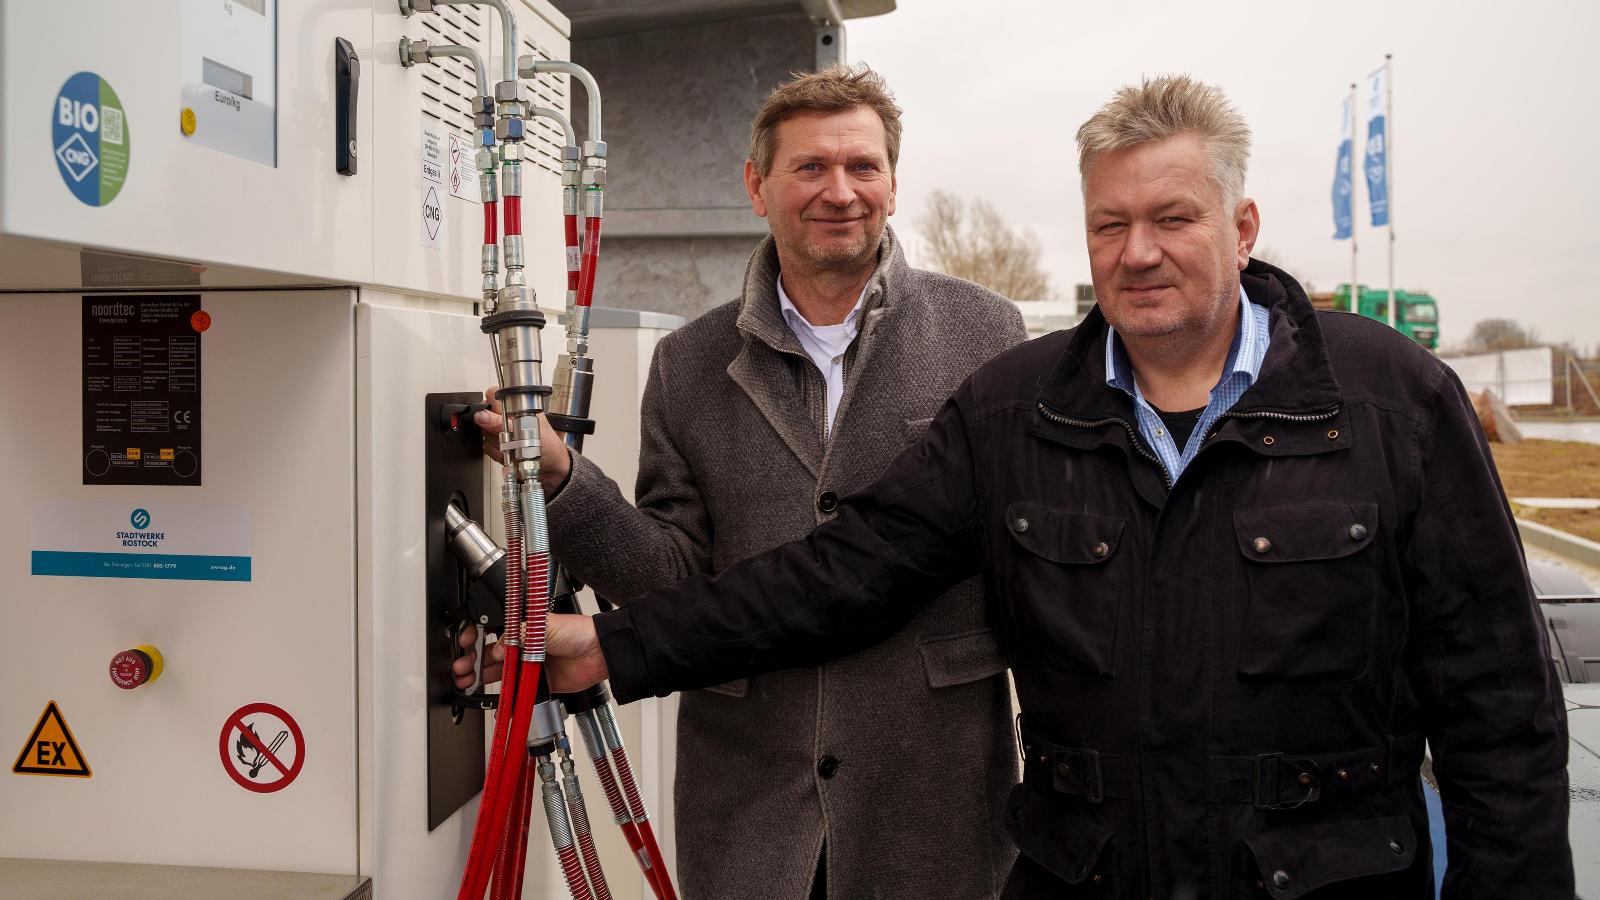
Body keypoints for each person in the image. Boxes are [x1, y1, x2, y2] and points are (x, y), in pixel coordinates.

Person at [537, 75, 1574, 899]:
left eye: (1172, 217)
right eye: (1108, 224)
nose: (1139, 253)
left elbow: (1497, 701)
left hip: (1325, 879)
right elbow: (841, 571)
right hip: (1090, 874)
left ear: (1242, 223)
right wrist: (616, 647)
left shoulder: (1390, 399)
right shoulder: (1016, 408)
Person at [464, 65, 1026, 900]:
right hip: (754, 801)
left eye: (862, 167)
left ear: (895, 185)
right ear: (756, 186)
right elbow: (674, 577)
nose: (840, 191)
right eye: (809, 167)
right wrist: (563, 481)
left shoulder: (986, 334)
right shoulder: (690, 361)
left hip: (931, 798)